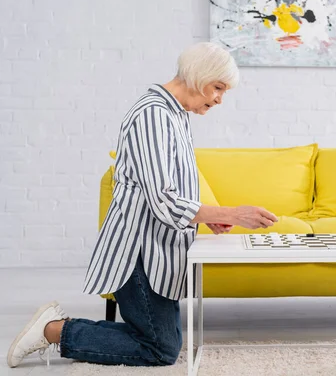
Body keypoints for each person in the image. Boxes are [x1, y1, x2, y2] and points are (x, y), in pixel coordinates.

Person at [7, 42, 279, 368]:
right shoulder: (153, 115)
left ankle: (60, 328)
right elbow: (163, 200)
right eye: (218, 87)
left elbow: (170, 188)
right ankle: (54, 330)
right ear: (198, 76)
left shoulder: (176, 114)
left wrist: (203, 216)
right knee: (160, 349)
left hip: (158, 249)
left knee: (160, 340)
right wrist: (230, 213)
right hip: (138, 252)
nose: (220, 98)